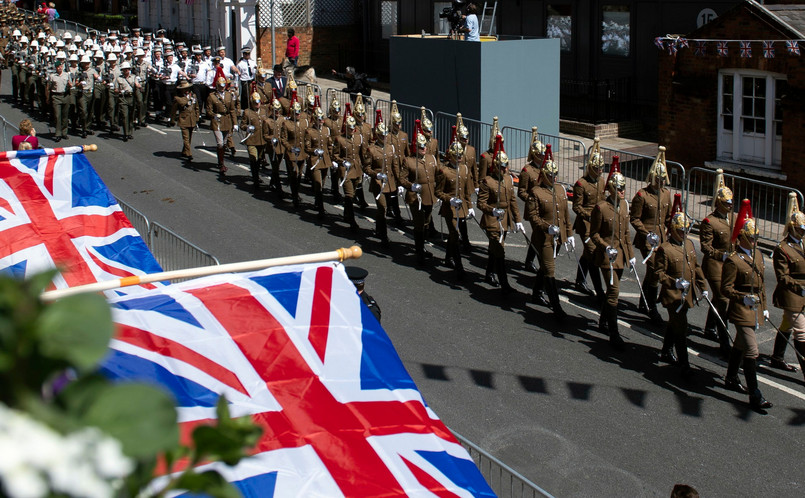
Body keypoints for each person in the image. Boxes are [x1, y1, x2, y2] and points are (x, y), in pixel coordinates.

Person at [722, 199, 773, 412]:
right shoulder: (733, 260)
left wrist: (764, 306)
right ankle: (755, 395)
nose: (754, 241)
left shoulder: (758, 255)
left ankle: (731, 377)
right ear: (742, 237)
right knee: (752, 351)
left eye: (756, 238)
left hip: (755, 310)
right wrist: (742, 298)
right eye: (751, 238)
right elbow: (726, 288)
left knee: (740, 346)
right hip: (741, 309)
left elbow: (761, 286)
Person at [654, 196, 707, 378]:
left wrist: (703, 286)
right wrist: (673, 282)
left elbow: (695, 267)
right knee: (681, 329)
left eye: (686, 230)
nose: (684, 233)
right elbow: (659, 274)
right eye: (681, 230)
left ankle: (666, 350)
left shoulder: (690, 245)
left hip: (687, 294)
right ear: (674, 230)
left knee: (675, 324)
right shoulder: (665, 249)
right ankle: (684, 364)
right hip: (673, 295)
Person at [590, 157, 635, 349]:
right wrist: (604, 246)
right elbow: (594, 234)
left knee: (610, 292)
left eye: (624, 187)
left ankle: (602, 319)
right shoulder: (601, 208)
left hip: (621, 256)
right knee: (614, 292)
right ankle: (614, 334)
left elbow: (625, 233)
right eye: (619, 188)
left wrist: (631, 255)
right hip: (606, 257)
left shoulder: (624, 205)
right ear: (611, 190)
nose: (622, 191)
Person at [528, 144, 572, 319]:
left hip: (558, 237)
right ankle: (557, 307)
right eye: (550, 175)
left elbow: (566, 215)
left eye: (555, 175)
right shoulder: (536, 192)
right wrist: (547, 227)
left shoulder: (561, 190)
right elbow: (533, 216)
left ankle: (536, 293)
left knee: (546, 267)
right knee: (550, 271)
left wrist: (568, 234)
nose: (553, 178)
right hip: (544, 238)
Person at [630, 146, 672, 322]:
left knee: (652, 270)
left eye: (663, 179)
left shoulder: (666, 194)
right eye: (658, 179)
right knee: (655, 269)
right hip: (647, 238)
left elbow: (668, 216)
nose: (661, 182)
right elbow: (635, 218)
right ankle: (651, 307)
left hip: (661, 237)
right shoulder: (642, 195)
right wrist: (646, 233)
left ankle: (643, 301)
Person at [478, 134, 523, 294]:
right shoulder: (487, 182)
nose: (505, 169)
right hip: (491, 220)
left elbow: (512, 201)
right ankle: (505, 285)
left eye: (506, 166)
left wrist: (518, 220)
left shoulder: (508, 180)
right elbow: (480, 203)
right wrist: (491, 210)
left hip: (505, 220)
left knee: (494, 250)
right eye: (502, 167)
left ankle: (489, 273)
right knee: (500, 252)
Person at [770, 193, 805, 378]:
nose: (803, 233)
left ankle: (777, 357)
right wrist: (801, 287)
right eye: (800, 230)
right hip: (791, 293)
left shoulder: (803, 243)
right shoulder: (782, 249)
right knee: (801, 332)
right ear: (792, 228)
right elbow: (782, 277)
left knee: (786, 324)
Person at [700, 169, 734, 358]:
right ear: (719, 203)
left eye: (731, 203)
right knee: (722, 300)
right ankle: (724, 341)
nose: (730, 206)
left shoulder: (732, 219)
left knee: (718, 298)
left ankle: (709, 327)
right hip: (715, 264)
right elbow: (706, 247)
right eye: (726, 203)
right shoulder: (709, 222)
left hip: (729, 266)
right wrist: (721, 255)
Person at [572, 138, 608, 302]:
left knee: (588, 254)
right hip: (585, 224)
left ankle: (580, 280)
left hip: (597, 224)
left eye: (601, 168)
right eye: (597, 168)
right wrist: (589, 216)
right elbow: (576, 207)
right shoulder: (581, 184)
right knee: (593, 253)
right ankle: (599, 290)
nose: (600, 171)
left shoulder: (601, 182)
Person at [435, 131, 473, 281]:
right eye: (456, 156)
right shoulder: (444, 171)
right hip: (449, 208)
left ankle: (447, 257)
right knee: (455, 235)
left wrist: (469, 206)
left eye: (461, 156)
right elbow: (438, 192)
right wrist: (449, 199)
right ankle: (459, 267)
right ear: (450, 156)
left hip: (462, 207)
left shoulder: (464, 169)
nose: (459, 158)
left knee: (453, 236)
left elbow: (467, 190)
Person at [364, 113, 398, 246]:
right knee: (382, 208)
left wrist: (399, 182)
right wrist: (375, 175)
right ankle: (384, 236)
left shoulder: (390, 148)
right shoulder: (371, 150)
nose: (384, 137)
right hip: (378, 182)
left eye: (385, 135)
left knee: (383, 209)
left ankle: (378, 228)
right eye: (382, 135)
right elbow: (366, 168)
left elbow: (394, 166)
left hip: (389, 183)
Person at [334, 115, 368, 231]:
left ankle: (346, 214)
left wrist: (365, 168)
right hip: (346, 170)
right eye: (349, 128)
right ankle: (352, 221)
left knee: (352, 194)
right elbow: (335, 155)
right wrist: (341, 162)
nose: (352, 130)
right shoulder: (340, 139)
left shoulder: (359, 137)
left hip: (357, 169)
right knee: (349, 195)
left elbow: (362, 154)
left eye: (353, 128)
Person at [519, 126, 544, 273]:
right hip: (534, 208)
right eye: (540, 155)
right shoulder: (527, 171)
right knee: (539, 237)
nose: (542, 157)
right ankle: (543, 265)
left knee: (536, 237)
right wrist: (532, 200)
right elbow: (521, 192)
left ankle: (529, 261)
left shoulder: (544, 169)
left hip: (544, 209)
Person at [304, 105, 334, 218]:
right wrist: (314, 151)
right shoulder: (310, 132)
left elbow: (330, 145)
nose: (321, 121)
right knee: (318, 184)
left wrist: (332, 158)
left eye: (322, 118)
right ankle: (321, 207)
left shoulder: (326, 130)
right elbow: (307, 148)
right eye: (319, 119)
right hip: (315, 161)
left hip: (325, 161)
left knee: (322, 180)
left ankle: (317, 201)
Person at [206, 71, 238, 175]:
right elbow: (208, 110)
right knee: (220, 143)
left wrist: (235, 123)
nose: (222, 87)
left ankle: (221, 160)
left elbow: (232, 109)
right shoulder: (212, 96)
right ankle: (221, 164)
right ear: (217, 86)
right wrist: (214, 115)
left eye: (224, 86)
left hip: (227, 120)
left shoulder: (229, 95)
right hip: (217, 121)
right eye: (220, 86)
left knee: (224, 143)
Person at [281, 94, 309, 208]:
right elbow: (283, 139)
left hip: (302, 152)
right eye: (296, 113)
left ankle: (296, 192)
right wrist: (289, 148)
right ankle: (294, 195)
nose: (297, 115)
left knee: (299, 175)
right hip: (292, 153)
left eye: (299, 112)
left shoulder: (304, 122)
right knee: (294, 174)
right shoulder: (286, 124)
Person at [240, 91, 268, 190]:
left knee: (259, 160)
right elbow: (242, 125)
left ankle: (256, 175)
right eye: (255, 102)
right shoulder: (247, 112)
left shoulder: (264, 111)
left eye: (259, 102)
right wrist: (247, 127)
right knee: (253, 158)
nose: (257, 104)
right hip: (251, 139)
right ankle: (255, 178)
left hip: (261, 140)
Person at [168, 79, 200, 161]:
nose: (186, 90)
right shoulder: (178, 98)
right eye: (184, 89)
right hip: (183, 119)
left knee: (189, 137)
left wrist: (197, 118)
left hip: (192, 119)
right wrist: (172, 120)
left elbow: (196, 108)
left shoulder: (193, 96)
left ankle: (184, 151)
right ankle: (189, 154)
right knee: (185, 137)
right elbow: (173, 110)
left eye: (187, 89)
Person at [113, 61, 139, 142]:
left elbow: (137, 85)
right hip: (123, 98)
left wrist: (138, 85)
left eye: (127, 69)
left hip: (131, 97)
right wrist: (121, 91)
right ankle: (125, 133)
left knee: (131, 116)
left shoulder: (134, 77)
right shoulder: (119, 78)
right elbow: (115, 89)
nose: (125, 71)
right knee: (125, 115)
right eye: (124, 70)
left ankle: (130, 132)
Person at [48, 56, 71, 142]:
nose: (59, 68)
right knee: (57, 116)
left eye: (61, 66)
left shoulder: (66, 75)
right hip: (56, 96)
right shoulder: (52, 76)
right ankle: (58, 133)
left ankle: (64, 132)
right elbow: (49, 87)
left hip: (65, 96)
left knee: (65, 115)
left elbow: (70, 85)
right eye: (58, 67)